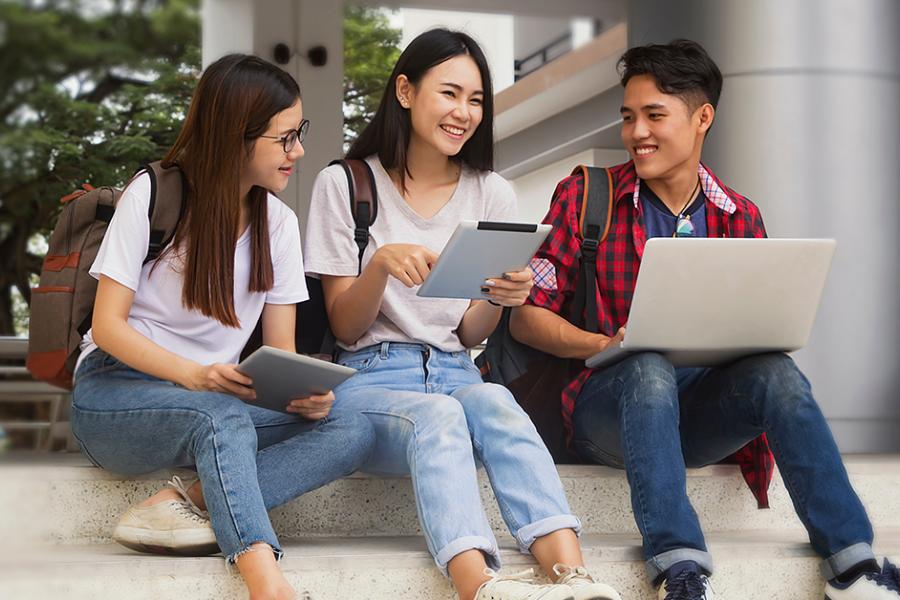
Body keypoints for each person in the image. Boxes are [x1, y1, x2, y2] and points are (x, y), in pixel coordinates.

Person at [510, 39, 900, 600]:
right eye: (628, 117)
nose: (636, 132)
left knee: (778, 372)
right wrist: (606, 342)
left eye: (654, 116)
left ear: (702, 118)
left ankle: (853, 567)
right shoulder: (585, 197)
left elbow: (761, 337)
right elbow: (526, 318)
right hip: (607, 410)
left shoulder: (739, 216)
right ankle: (680, 570)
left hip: (699, 416)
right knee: (645, 366)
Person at [302, 28, 622, 600]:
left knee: (496, 399)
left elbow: (470, 332)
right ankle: (481, 586)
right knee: (440, 419)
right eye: (450, 94)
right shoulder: (345, 184)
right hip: (372, 380)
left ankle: (571, 576)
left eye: (475, 100)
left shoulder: (491, 193)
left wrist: (498, 299)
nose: (464, 113)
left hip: (456, 370)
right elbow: (346, 327)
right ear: (405, 90)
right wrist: (378, 267)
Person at [70, 54, 375, 600]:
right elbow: (108, 328)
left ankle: (182, 501)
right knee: (222, 419)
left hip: (215, 397)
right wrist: (196, 376)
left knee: (354, 429)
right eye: (285, 138)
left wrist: (300, 396)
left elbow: (280, 353)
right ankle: (266, 583)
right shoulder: (153, 194)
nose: (298, 152)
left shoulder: (278, 223)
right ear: (238, 135)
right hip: (115, 393)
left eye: (298, 134)